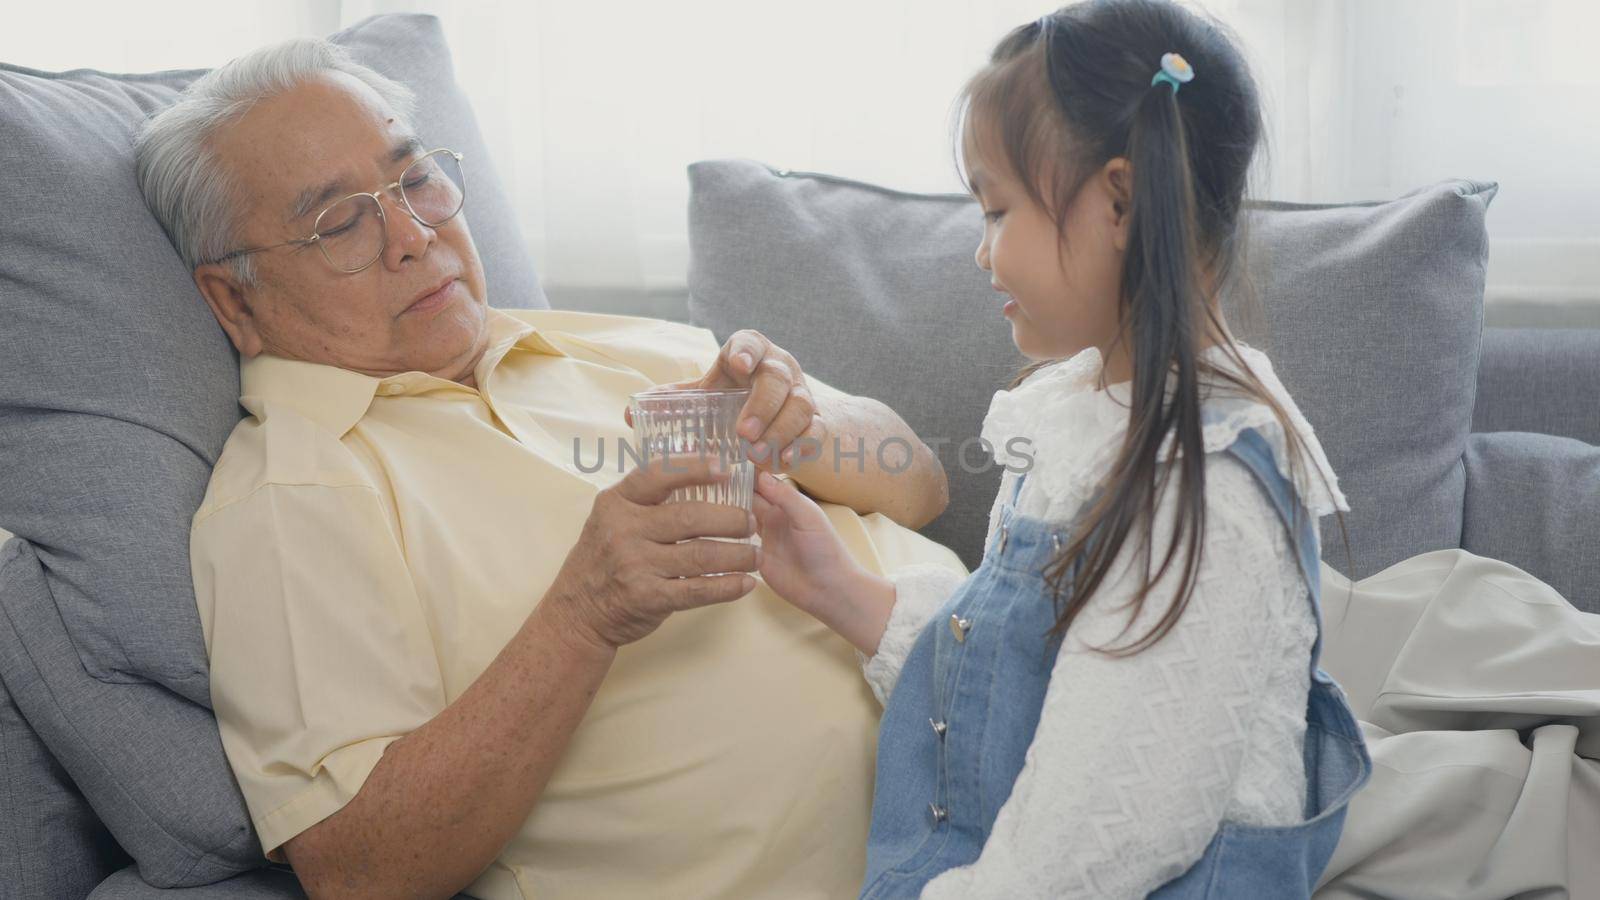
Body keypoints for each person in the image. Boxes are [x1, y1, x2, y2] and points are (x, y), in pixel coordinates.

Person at [137, 37, 963, 899]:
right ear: (234, 299)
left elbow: (924, 483)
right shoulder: (293, 495)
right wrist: (584, 614)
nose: (414, 237)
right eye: (340, 222)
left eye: (415, 180)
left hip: (1022, 727)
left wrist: (804, 429)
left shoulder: (605, 342)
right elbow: (359, 870)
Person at [750, 1, 1372, 896]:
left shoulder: (1200, 493)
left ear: (1118, 201)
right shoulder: (1083, 416)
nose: (981, 252)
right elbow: (1025, 680)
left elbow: (1085, 850)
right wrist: (843, 593)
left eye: (997, 210)